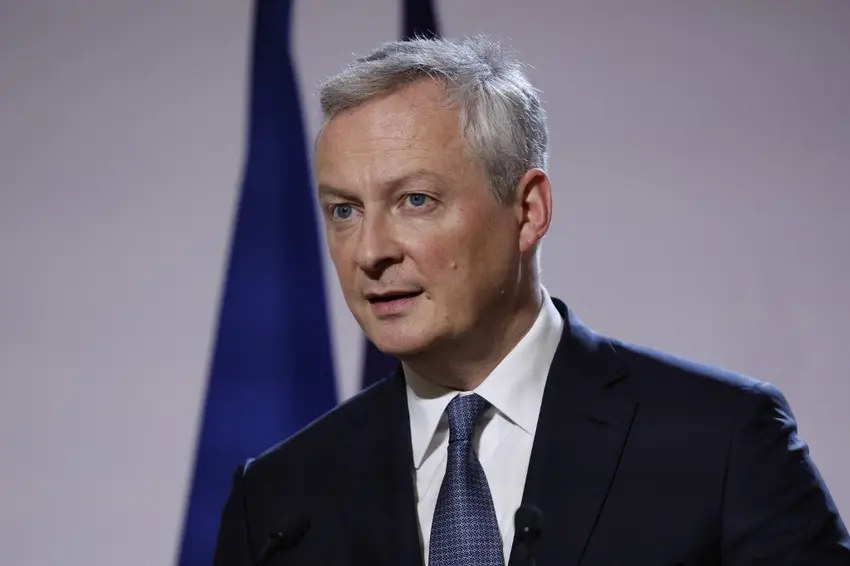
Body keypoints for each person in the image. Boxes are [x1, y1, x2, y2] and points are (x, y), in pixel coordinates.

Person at [212, 36, 849, 565]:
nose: (370, 252)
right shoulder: (276, 501)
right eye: (344, 211)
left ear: (529, 210)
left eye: (415, 200)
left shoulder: (721, 442)